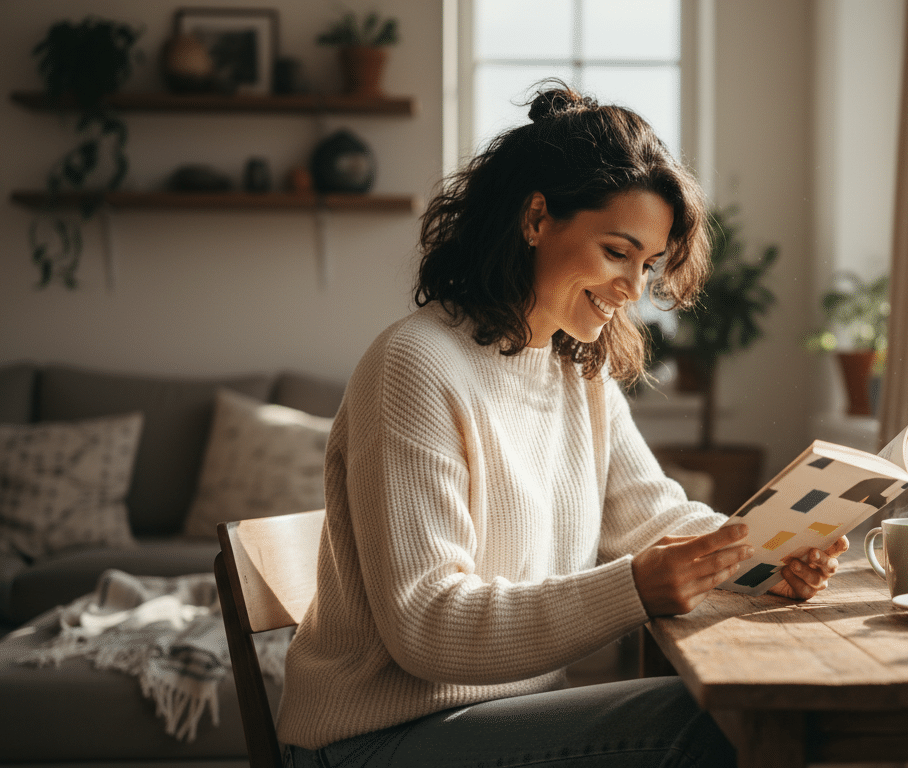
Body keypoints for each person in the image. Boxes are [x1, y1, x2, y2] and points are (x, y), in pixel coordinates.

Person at [277, 83, 849, 768]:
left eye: (647, 265)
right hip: (373, 740)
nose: (633, 290)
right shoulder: (416, 365)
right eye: (616, 252)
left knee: (741, 713)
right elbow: (424, 625)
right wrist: (633, 587)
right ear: (537, 218)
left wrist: (761, 559)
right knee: (716, 723)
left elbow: (654, 516)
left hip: (499, 719)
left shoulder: (578, 371)